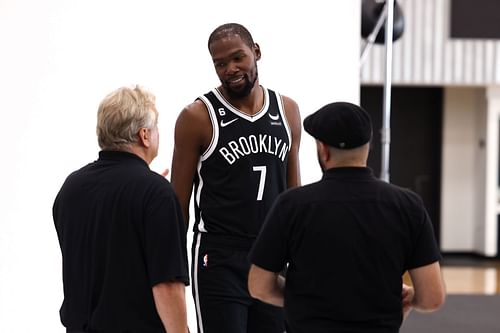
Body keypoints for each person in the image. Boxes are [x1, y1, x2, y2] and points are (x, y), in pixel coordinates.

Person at [248, 102, 446, 333]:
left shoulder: (292, 206)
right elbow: (432, 297)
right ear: (368, 146)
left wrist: (301, 302)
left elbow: (259, 285)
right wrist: (407, 298)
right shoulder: (407, 206)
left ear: (323, 149)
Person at [170, 23, 301, 333]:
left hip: (271, 254)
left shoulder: (288, 111)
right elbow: (179, 203)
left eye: (238, 57)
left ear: (256, 52)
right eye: (220, 63)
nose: (230, 69)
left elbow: (294, 196)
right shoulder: (197, 117)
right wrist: (172, 270)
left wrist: (300, 256)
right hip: (218, 256)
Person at [53, 85, 190, 333]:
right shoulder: (156, 194)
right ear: (144, 135)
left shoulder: (71, 188)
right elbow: (167, 285)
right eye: (157, 127)